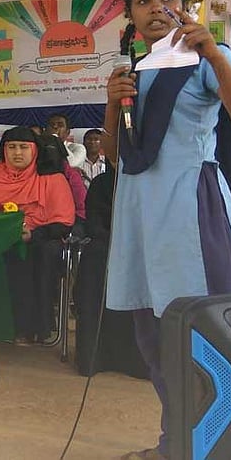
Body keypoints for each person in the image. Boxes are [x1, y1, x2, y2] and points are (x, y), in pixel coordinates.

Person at [104, 0, 231, 460]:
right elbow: (115, 155)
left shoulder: (203, 60)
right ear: (130, 15)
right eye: (144, 2)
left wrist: (215, 55)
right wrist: (111, 105)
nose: (157, 9)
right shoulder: (134, 70)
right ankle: (176, 442)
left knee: (205, 332)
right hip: (139, 215)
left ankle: (222, 443)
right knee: (154, 338)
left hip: (189, 210)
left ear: (185, 6)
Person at [0, 126, 75, 344]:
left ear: (35, 150)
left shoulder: (52, 178)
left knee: (40, 254)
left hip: (41, 237)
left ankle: (32, 327)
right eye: (11, 147)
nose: (17, 153)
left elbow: (63, 223)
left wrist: (34, 234)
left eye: (23, 147)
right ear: (4, 150)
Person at [74, 161, 149, 379]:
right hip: (107, 244)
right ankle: (95, 357)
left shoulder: (151, 183)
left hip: (144, 247)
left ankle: (140, 359)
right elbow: (94, 223)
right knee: (94, 262)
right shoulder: (101, 183)